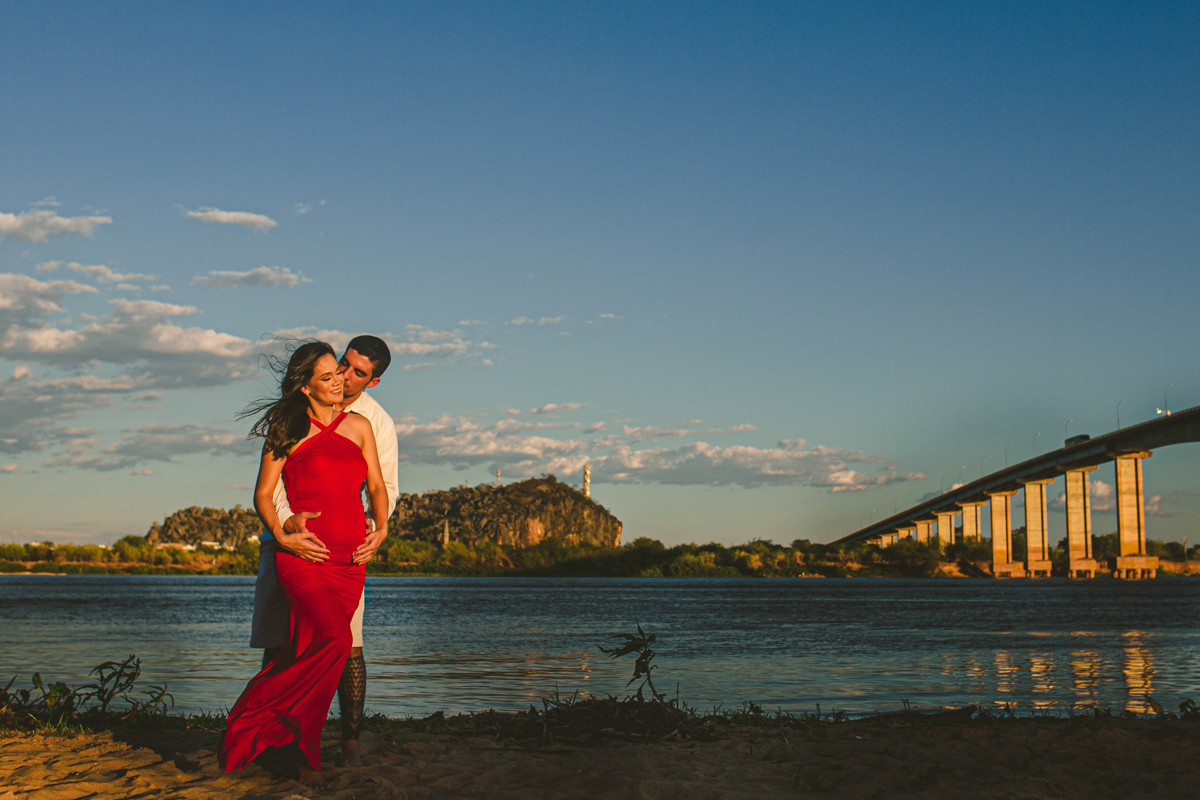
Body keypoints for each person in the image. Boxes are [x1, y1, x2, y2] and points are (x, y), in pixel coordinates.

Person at [220, 341, 390, 788]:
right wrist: (282, 534)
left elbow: (376, 484)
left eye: (341, 374)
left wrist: (383, 528)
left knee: (321, 653)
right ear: (307, 385)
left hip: (350, 562)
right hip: (303, 557)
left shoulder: (362, 425)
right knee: (334, 641)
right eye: (329, 376)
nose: (339, 382)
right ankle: (253, 714)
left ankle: (300, 754)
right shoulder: (288, 426)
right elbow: (263, 494)